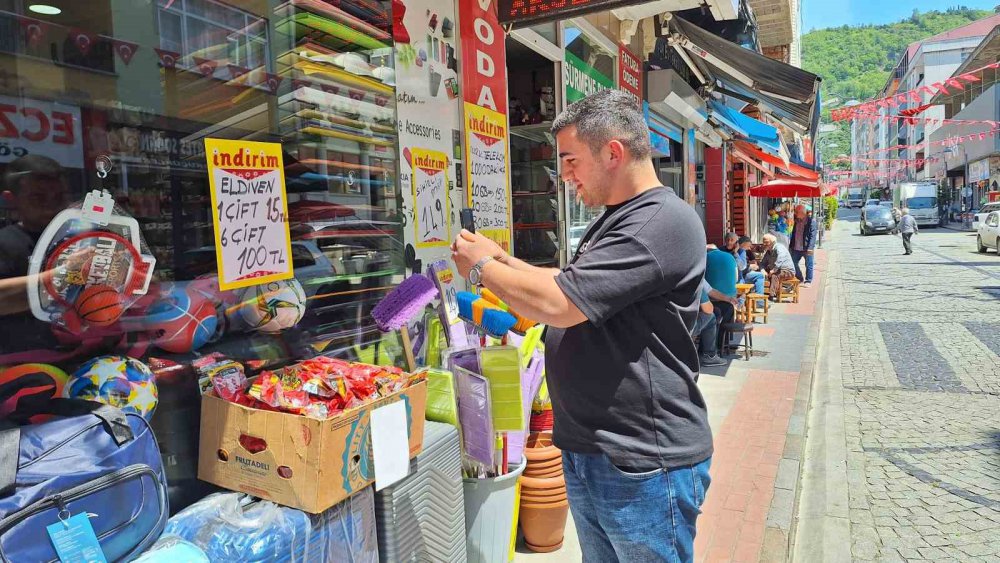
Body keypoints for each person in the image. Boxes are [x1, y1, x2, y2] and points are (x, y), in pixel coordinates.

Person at [451, 89, 712, 561]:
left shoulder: (659, 222)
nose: (564, 174)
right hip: (597, 452)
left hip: (641, 461)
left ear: (613, 152)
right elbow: (571, 282)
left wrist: (480, 269)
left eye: (570, 160)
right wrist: (502, 259)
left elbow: (562, 303)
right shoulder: (618, 219)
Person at [705, 244, 739, 353]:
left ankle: (715, 345)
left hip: (709, 299)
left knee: (716, 311)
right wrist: (729, 298)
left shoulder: (705, 258)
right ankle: (723, 343)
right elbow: (737, 278)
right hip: (726, 295)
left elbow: (709, 289)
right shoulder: (730, 257)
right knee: (726, 310)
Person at [691, 279, 725, 368]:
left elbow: (711, 291)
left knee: (716, 311)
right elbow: (708, 309)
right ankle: (709, 355)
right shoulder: (693, 279)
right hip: (684, 326)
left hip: (659, 324)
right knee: (711, 316)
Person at [759, 233, 796, 301]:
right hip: (777, 270)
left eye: (766, 242)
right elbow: (762, 263)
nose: (764, 244)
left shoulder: (779, 247)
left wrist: (773, 270)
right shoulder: (768, 251)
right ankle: (761, 293)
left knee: (774, 275)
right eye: (763, 242)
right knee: (760, 273)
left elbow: (780, 260)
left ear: (772, 242)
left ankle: (771, 296)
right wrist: (762, 270)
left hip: (788, 271)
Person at [789, 204, 817, 286]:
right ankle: (800, 278)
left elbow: (813, 235)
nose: (795, 213)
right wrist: (791, 245)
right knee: (793, 263)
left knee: (809, 264)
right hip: (796, 247)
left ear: (802, 212)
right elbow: (793, 234)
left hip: (806, 247)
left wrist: (810, 247)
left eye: (796, 212)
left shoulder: (811, 221)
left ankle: (808, 280)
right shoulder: (796, 221)